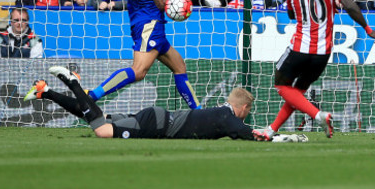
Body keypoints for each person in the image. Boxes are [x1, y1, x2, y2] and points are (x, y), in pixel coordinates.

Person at [255, 0, 375, 140]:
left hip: (300, 47)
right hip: (322, 53)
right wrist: (368, 29)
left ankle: (318, 115)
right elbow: (349, 4)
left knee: (281, 85)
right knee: (296, 93)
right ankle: (270, 130)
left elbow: (290, 14)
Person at [65, 0, 200, 109]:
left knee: (179, 66)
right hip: (150, 25)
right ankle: (92, 95)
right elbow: (161, 4)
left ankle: (198, 111)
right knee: (138, 71)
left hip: (141, 23)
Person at [27, 68, 266, 141]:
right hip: (157, 124)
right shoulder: (227, 117)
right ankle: (73, 83)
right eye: (248, 110)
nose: (246, 115)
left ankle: (46, 92)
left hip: (157, 117)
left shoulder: (220, 112)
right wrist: (270, 136)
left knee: (95, 116)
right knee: (101, 130)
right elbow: (246, 132)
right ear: (242, 107)